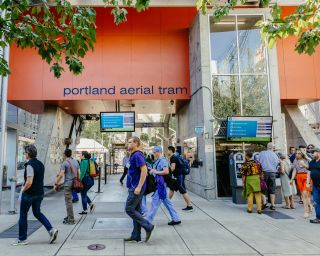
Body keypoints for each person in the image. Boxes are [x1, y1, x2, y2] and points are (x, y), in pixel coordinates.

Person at [12, 145, 58, 246]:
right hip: (40, 193)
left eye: (25, 153)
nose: (25, 154)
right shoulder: (41, 164)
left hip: (29, 194)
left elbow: (29, 182)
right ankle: (51, 229)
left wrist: (23, 191)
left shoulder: (29, 165)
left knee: (23, 215)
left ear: (28, 154)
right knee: (37, 212)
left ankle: (22, 239)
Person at [124, 137, 154, 243]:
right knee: (136, 211)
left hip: (136, 188)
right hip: (133, 186)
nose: (128, 144)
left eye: (130, 142)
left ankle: (148, 226)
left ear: (136, 143)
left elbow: (144, 170)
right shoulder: (133, 154)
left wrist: (139, 187)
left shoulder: (137, 155)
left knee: (129, 209)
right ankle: (136, 235)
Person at [146, 146, 181, 225]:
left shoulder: (162, 160)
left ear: (158, 152)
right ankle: (176, 218)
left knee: (154, 203)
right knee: (167, 202)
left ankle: (147, 222)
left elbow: (166, 171)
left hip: (160, 184)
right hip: (160, 184)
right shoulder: (158, 160)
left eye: (154, 152)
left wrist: (155, 171)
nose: (153, 154)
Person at [54, 149, 79, 224]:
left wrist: (56, 183)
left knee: (68, 202)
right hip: (74, 183)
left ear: (65, 154)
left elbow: (61, 175)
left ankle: (71, 219)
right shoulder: (75, 161)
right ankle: (69, 216)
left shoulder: (65, 163)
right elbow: (78, 173)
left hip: (68, 184)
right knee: (69, 201)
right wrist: (77, 180)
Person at [167, 146, 193, 211]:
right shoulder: (174, 157)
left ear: (170, 151)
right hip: (177, 176)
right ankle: (166, 202)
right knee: (172, 189)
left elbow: (173, 168)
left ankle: (189, 206)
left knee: (183, 191)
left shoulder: (173, 158)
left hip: (179, 176)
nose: (167, 152)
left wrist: (167, 173)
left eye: (168, 150)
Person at [290, 149, 313, 218]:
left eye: (299, 153)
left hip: (307, 176)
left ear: (302, 154)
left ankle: (306, 211)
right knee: (304, 195)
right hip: (299, 177)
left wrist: (304, 164)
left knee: (305, 194)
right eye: (296, 153)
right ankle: (309, 206)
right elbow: (294, 170)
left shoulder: (307, 159)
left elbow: (310, 167)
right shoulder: (295, 160)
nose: (297, 154)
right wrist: (291, 179)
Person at [258, 142, 280, 210]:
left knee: (262, 188)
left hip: (263, 173)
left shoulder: (262, 153)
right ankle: (273, 205)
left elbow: (258, 162)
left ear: (267, 147)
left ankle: (264, 202)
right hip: (273, 173)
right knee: (272, 189)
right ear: (273, 148)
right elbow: (277, 164)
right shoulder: (275, 155)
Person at [308, 147, 320, 224]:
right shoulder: (312, 161)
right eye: (311, 152)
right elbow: (310, 171)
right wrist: (308, 182)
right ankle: (318, 217)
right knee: (316, 202)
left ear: (318, 152)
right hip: (315, 185)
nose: (312, 154)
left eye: (313, 152)